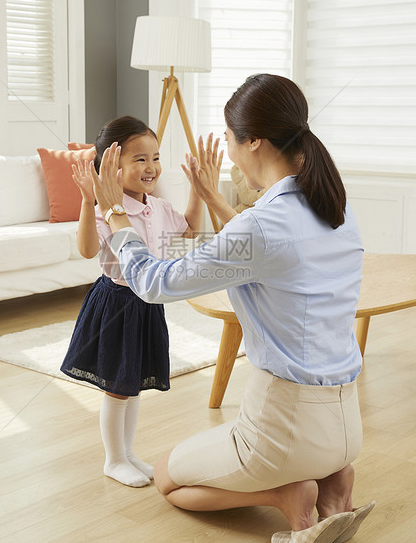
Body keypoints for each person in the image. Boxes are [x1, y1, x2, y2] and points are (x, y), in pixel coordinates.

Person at [89, 75, 375, 543]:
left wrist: (116, 215)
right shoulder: (334, 209)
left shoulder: (263, 225)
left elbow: (152, 283)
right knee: (275, 457)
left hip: (285, 427)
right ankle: (332, 478)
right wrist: (211, 199)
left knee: (166, 476)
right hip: (346, 426)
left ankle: (286, 495)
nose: (228, 147)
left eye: (228, 136)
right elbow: (255, 249)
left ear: (254, 141)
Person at [60, 115, 205, 488]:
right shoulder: (108, 209)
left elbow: (188, 230)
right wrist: (88, 200)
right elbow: (88, 248)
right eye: (139, 159)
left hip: (147, 302)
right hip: (117, 304)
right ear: (113, 166)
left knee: (132, 383)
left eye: (155, 157)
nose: (151, 167)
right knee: (116, 388)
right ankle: (113, 459)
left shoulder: (155, 207)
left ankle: (127, 453)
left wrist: (198, 191)